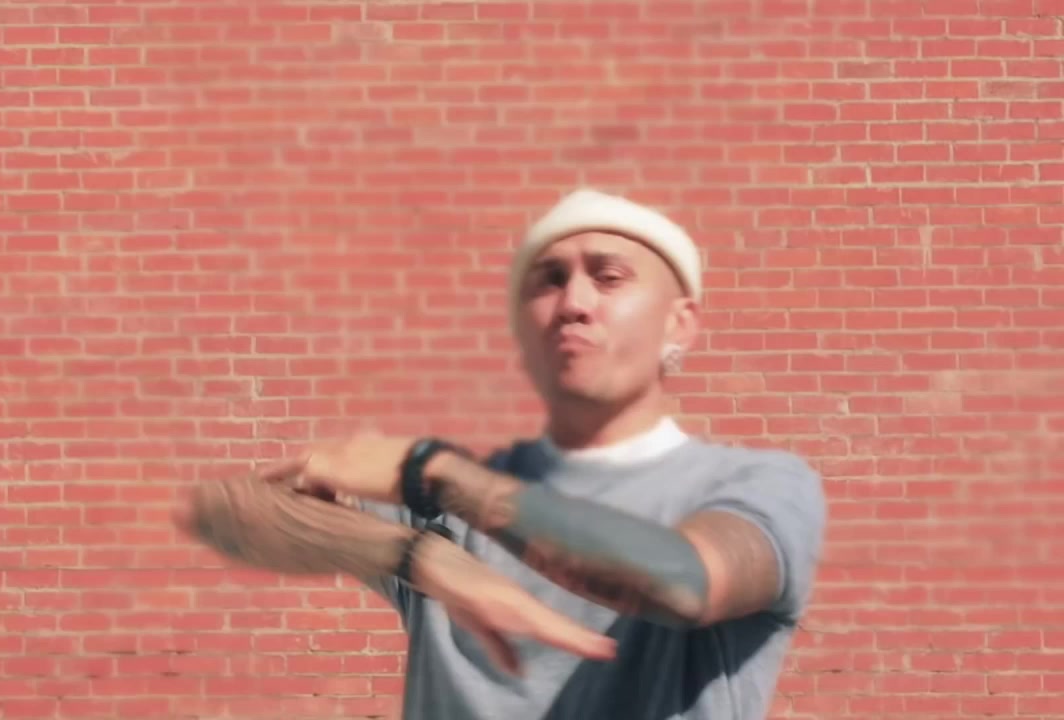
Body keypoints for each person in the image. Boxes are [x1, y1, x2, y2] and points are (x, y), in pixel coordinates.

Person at [174, 189, 828, 720]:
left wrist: (437, 474)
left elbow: (685, 582)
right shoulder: (445, 511)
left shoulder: (756, 483)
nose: (573, 303)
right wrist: (424, 559)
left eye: (608, 277)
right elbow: (217, 509)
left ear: (679, 322)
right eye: (549, 281)